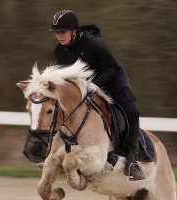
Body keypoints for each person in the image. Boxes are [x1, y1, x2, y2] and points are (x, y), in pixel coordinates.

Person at [49, 10, 144, 181]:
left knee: (132, 110)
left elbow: (113, 68)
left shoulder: (94, 44)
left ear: (74, 30)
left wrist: (95, 85)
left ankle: (132, 161)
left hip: (112, 76)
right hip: (86, 84)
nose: (59, 36)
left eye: (62, 32)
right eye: (56, 33)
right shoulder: (59, 51)